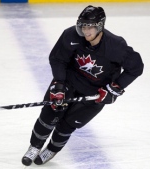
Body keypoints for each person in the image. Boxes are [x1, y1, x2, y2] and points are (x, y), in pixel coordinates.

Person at [21, 5, 144, 166]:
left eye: (90, 27)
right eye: (83, 26)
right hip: (69, 82)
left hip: (95, 93)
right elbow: (58, 59)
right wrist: (58, 84)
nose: (86, 31)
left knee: (68, 124)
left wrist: (114, 89)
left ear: (100, 26)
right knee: (50, 114)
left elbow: (136, 67)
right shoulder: (71, 35)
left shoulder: (116, 46)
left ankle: (52, 149)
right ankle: (34, 147)